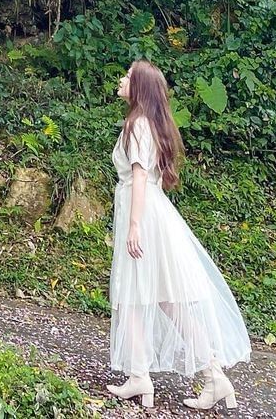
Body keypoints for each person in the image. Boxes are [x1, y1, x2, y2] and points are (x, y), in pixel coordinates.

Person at [106, 60, 251, 411]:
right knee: (153, 298)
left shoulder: (138, 124)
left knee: (146, 296)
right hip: (150, 212)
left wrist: (135, 225)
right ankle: (161, 375)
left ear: (140, 87)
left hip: (144, 214)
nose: (122, 80)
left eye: (128, 76)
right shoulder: (146, 123)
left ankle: (200, 376)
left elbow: (140, 176)